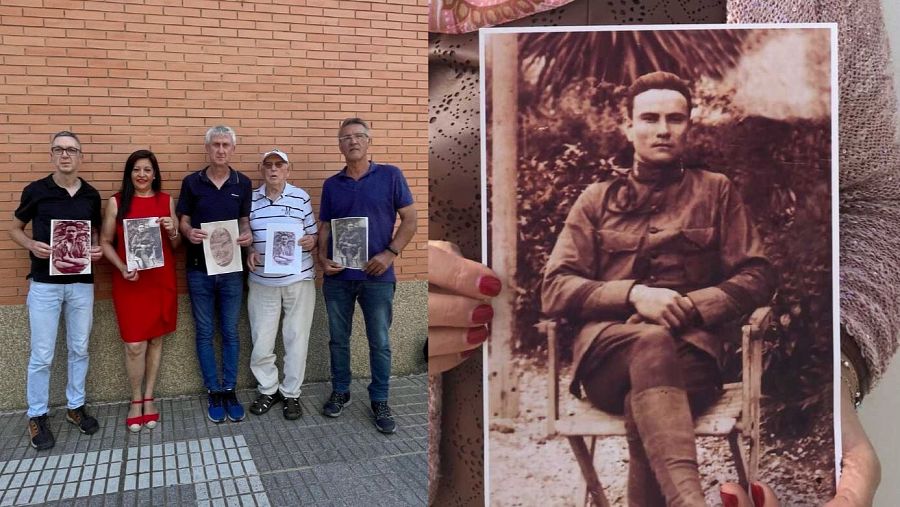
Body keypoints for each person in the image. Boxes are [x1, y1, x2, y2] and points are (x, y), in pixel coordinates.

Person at [427, 0, 888, 505]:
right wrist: (382, 306)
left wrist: (705, 305)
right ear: (629, 128)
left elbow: (765, 270)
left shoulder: (716, 192)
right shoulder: (595, 202)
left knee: (650, 389)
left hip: (696, 359)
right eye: (650, 118)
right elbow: (554, 288)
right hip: (604, 357)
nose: (662, 129)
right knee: (649, 346)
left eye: (674, 118)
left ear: (689, 126)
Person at [318, 117, 417, 434]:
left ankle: (380, 399)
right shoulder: (332, 185)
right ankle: (341, 391)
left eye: (358, 136)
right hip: (338, 277)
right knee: (338, 340)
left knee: (380, 342)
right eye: (345, 137)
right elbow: (324, 227)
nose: (352, 141)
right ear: (339, 145)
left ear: (368, 141)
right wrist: (322, 258)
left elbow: (411, 220)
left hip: (378, 276)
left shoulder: (390, 176)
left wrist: (390, 253)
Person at [8, 131, 103, 450]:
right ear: (51, 155)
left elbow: (94, 238)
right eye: (59, 150)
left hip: (80, 284)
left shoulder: (91, 195)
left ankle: (76, 407)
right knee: (43, 353)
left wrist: (95, 250)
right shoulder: (36, 190)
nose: (65, 155)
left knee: (79, 348)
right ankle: (37, 415)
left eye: (71, 150)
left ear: (80, 156)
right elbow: (13, 227)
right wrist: (30, 244)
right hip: (45, 285)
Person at [177, 125, 253, 424]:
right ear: (207, 149)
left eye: (226, 145)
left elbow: (245, 222)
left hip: (232, 270)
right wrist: (188, 232)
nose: (221, 150)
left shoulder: (242, 182)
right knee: (205, 333)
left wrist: (246, 236)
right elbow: (183, 220)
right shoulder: (191, 182)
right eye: (216, 145)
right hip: (199, 269)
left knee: (231, 332)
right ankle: (214, 390)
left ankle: (231, 388)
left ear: (232, 149)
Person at [100, 150, 180, 432]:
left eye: (147, 170)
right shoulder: (116, 203)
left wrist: (172, 231)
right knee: (134, 344)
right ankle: (135, 399)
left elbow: (175, 246)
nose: (142, 175)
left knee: (156, 340)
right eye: (137, 169)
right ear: (129, 173)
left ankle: (149, 397)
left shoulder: (166, 201)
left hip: (160, 281)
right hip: (130, 282)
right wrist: (121, 266)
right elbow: (105, 241)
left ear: (155, 174)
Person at [245, 148, 318, 421]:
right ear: (262, 170)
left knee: (296, 339)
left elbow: (313, 235)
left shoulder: (301, 197)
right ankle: (268, 389)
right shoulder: (250, 200)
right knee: (261, 340)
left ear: (288, 169)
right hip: (262, 281)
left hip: (298, 279)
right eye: (268, 165)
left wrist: (312, 242)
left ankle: (291, 394)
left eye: (279, 164)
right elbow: (245, 235)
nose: (274, 169)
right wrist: (249, 249)